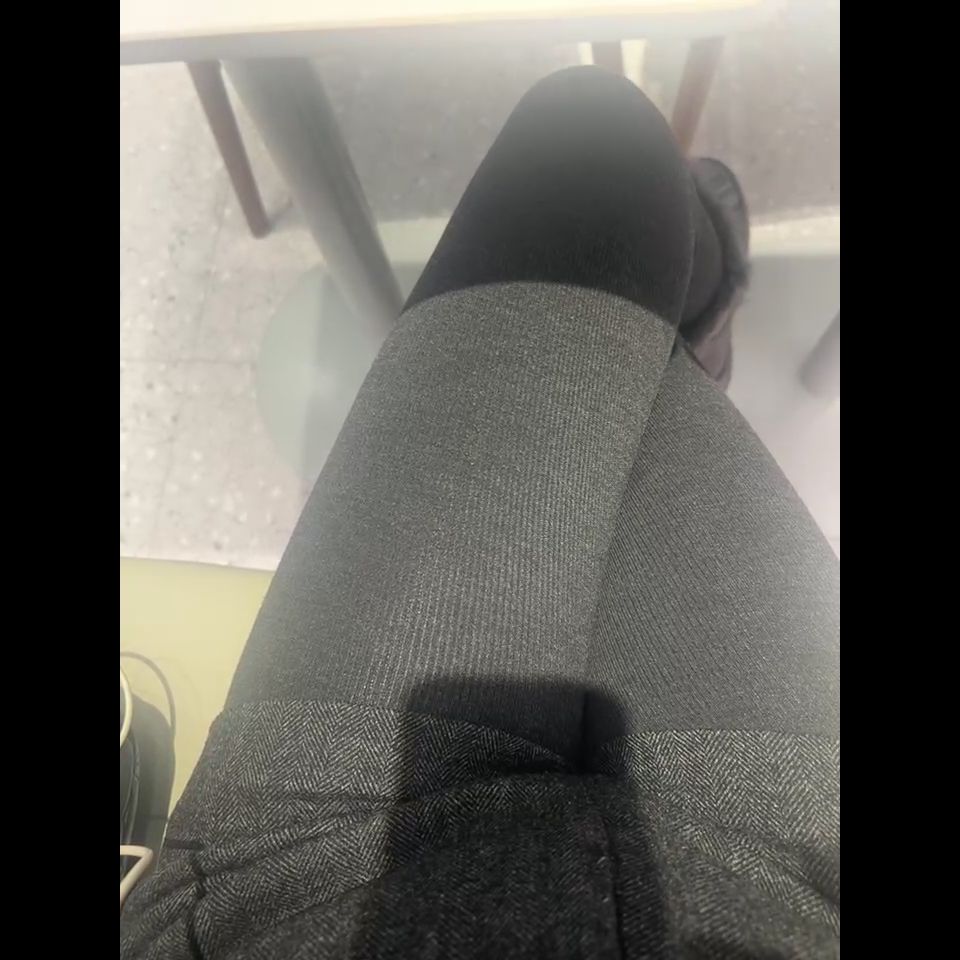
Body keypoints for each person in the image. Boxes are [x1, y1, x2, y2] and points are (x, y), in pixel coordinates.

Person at [120, 67, 839, 958]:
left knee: (591, 144)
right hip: (797, 883)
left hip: (293, 891)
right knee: (596, 148)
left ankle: (683, 335)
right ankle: (690, 330)